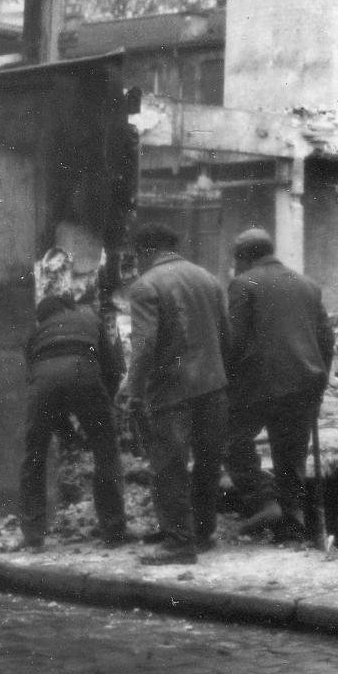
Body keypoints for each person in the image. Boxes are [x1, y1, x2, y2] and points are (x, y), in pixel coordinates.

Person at [126, 221, 230, 566]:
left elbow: (143, 345)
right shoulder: (208, 278)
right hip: (213, 386)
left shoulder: (145, 286)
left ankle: (179, 542)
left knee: (168, 465)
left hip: (172, 391)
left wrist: (135, 392)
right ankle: (201, 532)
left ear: (145, 252)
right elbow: (225, 334)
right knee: (206, 462)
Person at [224, 228, 335, 546]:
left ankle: (263, 501)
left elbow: (233, 341)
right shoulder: (307, 285)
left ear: (244, 257)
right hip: (304, 384)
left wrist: (226, 381)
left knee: (229, 438)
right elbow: (326, 339)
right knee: (291, 457)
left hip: (258, 384)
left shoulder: (244, 283)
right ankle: (293, 524)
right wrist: (320, 379)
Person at [17, 247, 128, 551]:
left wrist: (65, 432)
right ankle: (113, 529)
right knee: (105, 450)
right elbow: (112, 367)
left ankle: (33, 534)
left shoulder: (35, 334)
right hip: (85, 375)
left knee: (34, 457)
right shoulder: (89, 319)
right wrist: (105, 408)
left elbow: (41, 384)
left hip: (44, 387)